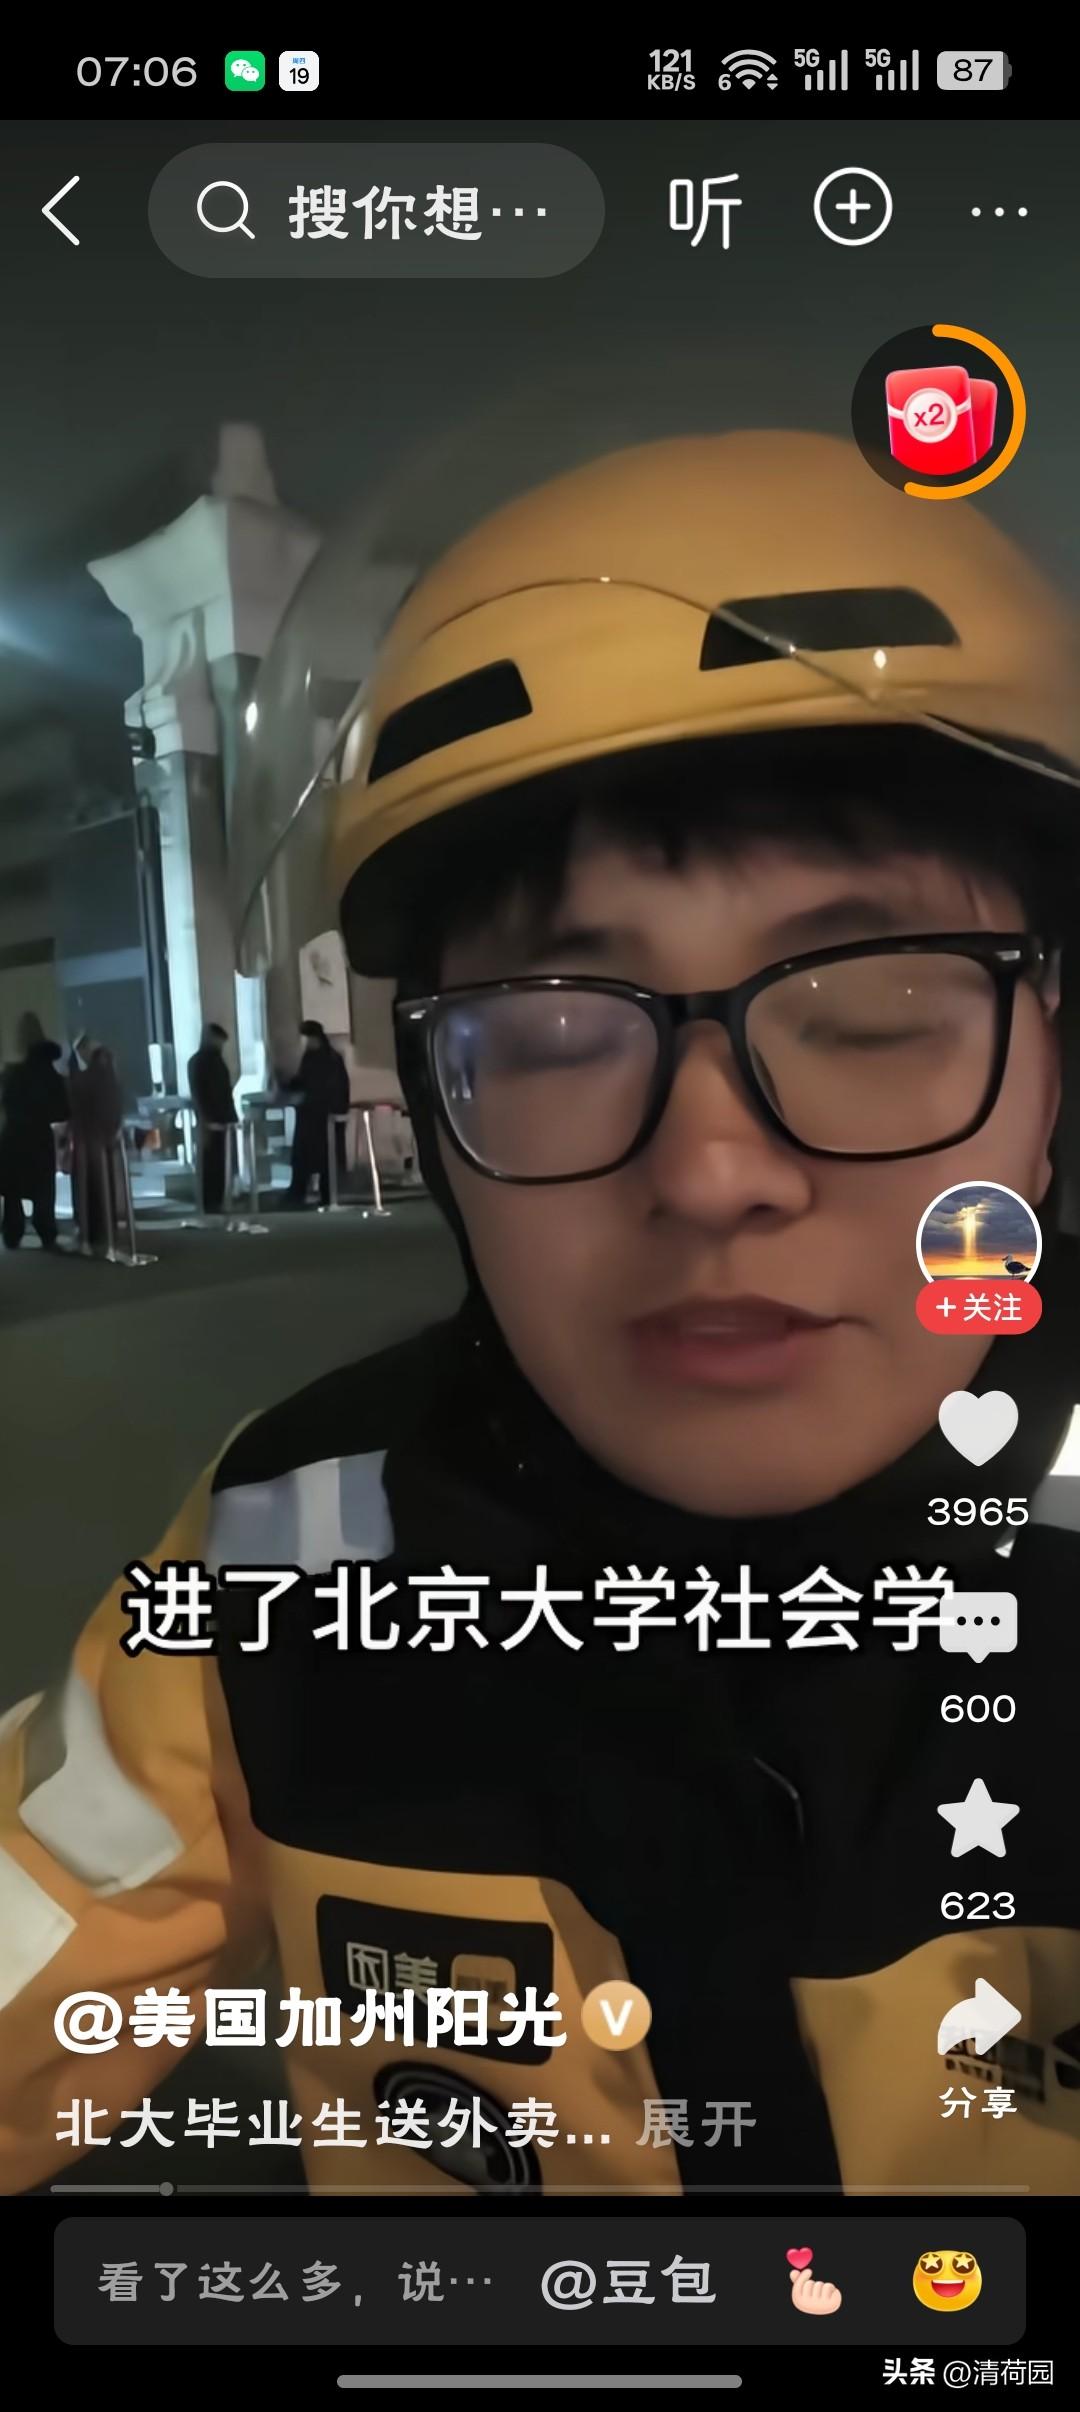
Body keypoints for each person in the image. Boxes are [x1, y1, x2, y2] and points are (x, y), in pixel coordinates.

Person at [3, 433, 1080, 2201]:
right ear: (438, 1120)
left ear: (1054, 1074)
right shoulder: (294, 1542)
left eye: (878, 1005)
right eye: (557, 1032)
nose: (713, 1171)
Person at [0, 1010, 69, 1251]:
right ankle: (47, 1232)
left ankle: (12, 1232)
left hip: (13, 1137)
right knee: (43, 1188)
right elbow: (62, 1110)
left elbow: (6, 1103)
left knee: (12, 1189)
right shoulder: (50, 1073)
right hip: (39, 1137)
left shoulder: (11, 1074)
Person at [282, 1019, 350, 1207]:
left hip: (322, 1116)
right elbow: (303, 1081)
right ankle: (301, 1193)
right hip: (311, 1115)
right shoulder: (314, 1057)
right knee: (307, 1157)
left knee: (324, 1158)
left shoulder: (330, 1059)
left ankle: (324, 1195)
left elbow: (333, 1088)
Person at [67, 1034, 124, 1249]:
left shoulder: (88, 1077)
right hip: (104, 1137)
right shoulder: (109, 1074)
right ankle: (105, 1229)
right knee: (104, 1185)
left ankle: (89, 1231)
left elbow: (76, 1100)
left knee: (89, 1186)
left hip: (88, 1137)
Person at [186, 1022, 237, 1215]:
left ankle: (215, 1200)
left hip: (218, 1119)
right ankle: (211, 1201)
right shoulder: (205, 1062)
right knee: (213, 1162)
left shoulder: (205, 1061)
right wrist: (206, 1118)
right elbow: (202, 1094)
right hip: (213, 1119)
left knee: (218, 1162)